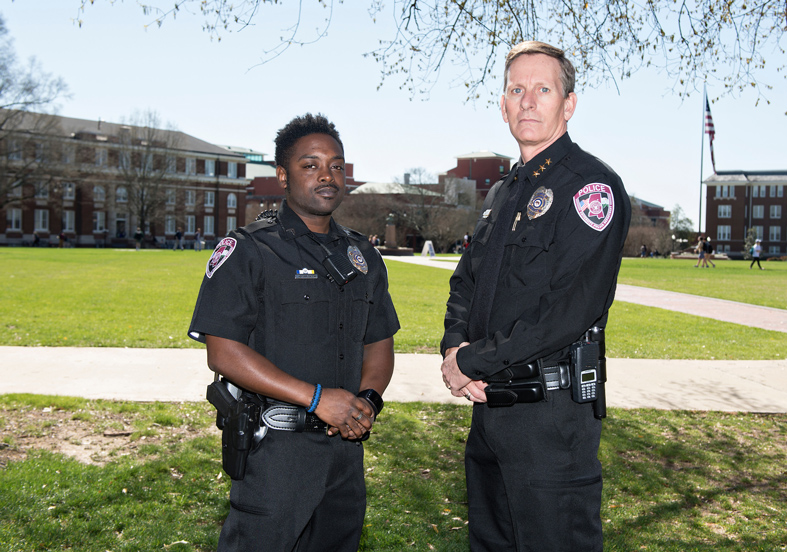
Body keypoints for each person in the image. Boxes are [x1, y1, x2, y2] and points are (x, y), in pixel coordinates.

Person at [440, 41, 631, 551]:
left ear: (568, 104)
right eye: (516, 90)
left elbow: (571, 309)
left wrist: (475, 359)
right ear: (503, 105)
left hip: (550, 422)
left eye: (543, 89)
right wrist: (453, 348)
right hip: (490, 415)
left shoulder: (591, 187)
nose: (528, 100)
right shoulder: (504, 193)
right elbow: (466, 282)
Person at [188, 113, 399, 551]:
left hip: (345, 453)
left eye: (337, 166)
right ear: (282, 175)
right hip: (276, 457)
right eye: (311, 165)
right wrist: (319, 399)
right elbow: (223, 352)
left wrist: (367, 403)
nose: (328, 175)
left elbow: (378, 340)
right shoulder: (249, 249)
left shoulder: (363, 255)